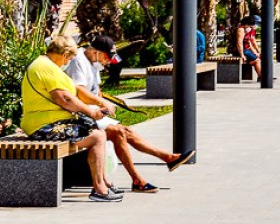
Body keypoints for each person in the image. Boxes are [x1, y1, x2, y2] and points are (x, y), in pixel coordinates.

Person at [64, 35, 191, 192]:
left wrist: (103, 103)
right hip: (81, 116)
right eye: (107, 58)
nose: (108, 62)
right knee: (119, 133)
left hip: (94, 113)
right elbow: (80, 92)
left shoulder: (94, 63)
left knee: (126, 131)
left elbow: (96, 90)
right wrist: (102, 103)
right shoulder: (78, 62)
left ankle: (167, 158)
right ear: (96, 52)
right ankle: (138, 179)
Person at [20, 34, 122, 202]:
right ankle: (99, 190)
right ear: (65, 54)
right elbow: (64, 99)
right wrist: (91, 113)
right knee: (97, 137)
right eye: (69, 58)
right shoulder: (45, 67)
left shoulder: (51, 67)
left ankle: (104, 182)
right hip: (43, 126)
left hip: (51, 122)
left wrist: (101, 102)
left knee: (97, 131)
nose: (68, 62)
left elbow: (77, 91)